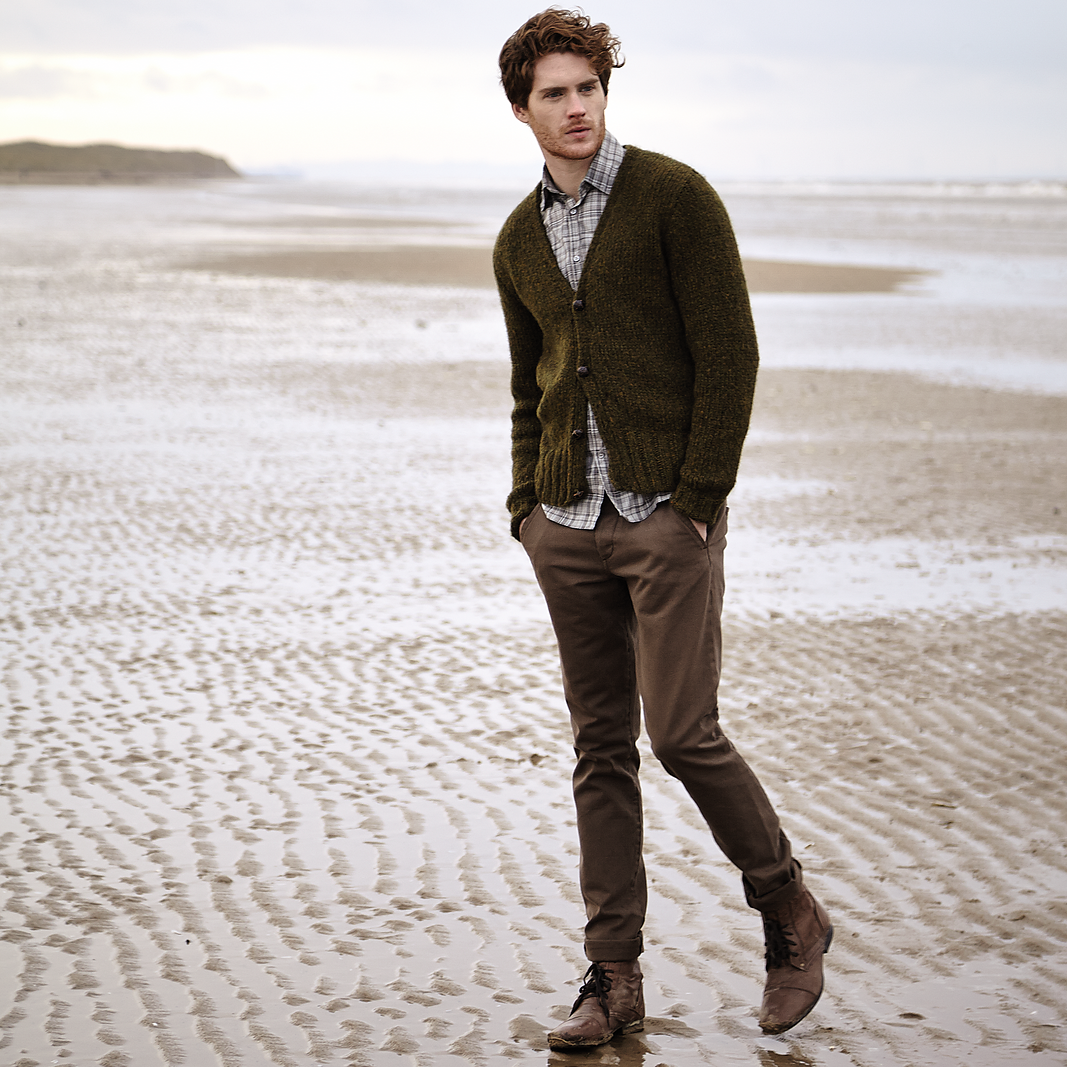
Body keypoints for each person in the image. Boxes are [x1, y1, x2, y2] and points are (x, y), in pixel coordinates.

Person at [492, 7, 833, 1052]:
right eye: (553, 92)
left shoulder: (674, 197)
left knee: (680, 730)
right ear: (522, 110)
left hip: (662, 516)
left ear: (605, 91)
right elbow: (526, 384)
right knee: (599, 745)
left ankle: (785, 905)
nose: (575, 106)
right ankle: (614, 976)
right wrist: (525, 507)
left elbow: (730, 355)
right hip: (566, 519)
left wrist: (696, 499)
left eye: (586, 87)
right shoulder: (515, 238)